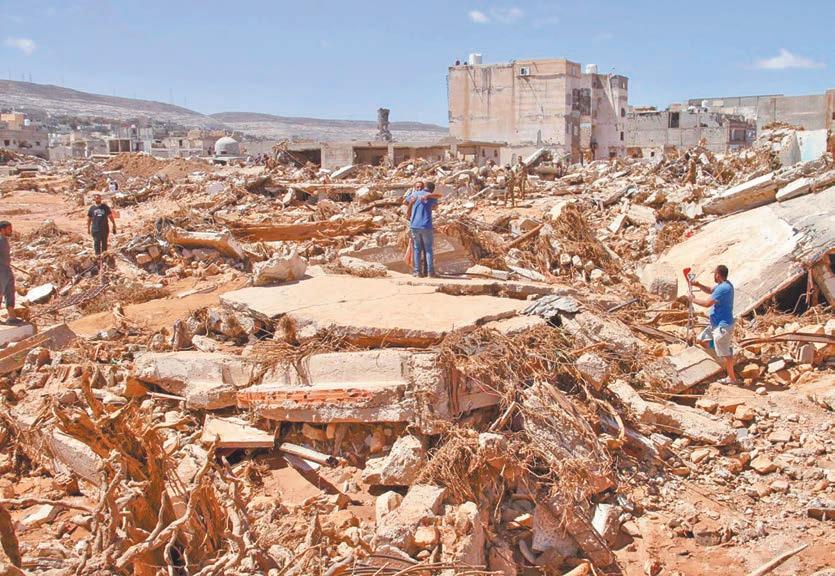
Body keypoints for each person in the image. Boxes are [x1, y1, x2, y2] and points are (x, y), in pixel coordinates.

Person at [689, 264, 738, 383]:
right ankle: (720, 353)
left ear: (718, 275)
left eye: (715, 274)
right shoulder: (723, 285)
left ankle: (732, 378)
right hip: (715, 325)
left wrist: (692, 299)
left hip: (722, 326)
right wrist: (698, 285)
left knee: (726, 354)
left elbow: (707, 303)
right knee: (701, 340)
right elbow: (711, 290)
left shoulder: (723, 288)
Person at [404, 181, 441, 277]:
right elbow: (436, 203)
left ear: (424, 186)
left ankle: (417, 272)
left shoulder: (414, 194)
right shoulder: (431, 196)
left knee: (417, 249)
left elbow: (405, 201)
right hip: (426, 225)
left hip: (414, 225)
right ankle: (430, 272)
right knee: (428, 249)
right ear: (432, 190)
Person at [0, 221, 21, 325]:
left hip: (6, 269)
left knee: (10, 292)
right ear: (2, 229)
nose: (11, 231)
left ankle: (12, 317)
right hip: (1, 270)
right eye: (9, 229)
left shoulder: (4, 240)